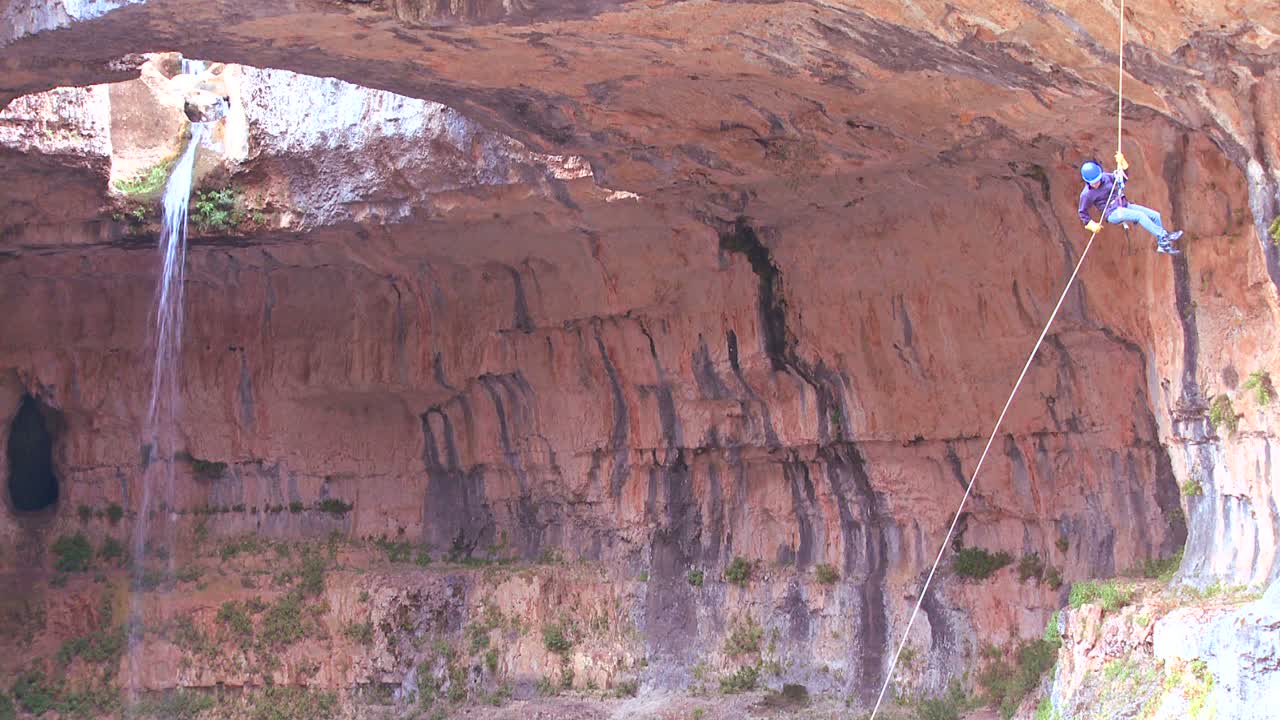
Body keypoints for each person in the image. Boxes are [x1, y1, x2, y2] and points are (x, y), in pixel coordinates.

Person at [1078, 152, 1182, 254]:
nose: (1097, 183)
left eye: (1098, 179)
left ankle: (1162, 245)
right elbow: (1082, 212)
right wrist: (1090, 225)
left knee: (1155, 216)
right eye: (1094, 182)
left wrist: (1123, 165)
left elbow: (1122, 179)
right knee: (1140, 216)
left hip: (1124, 205)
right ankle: (1163, 235)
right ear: (1087, 182)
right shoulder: (1086, 194)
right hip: (1112, 213)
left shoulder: (1105, 177)